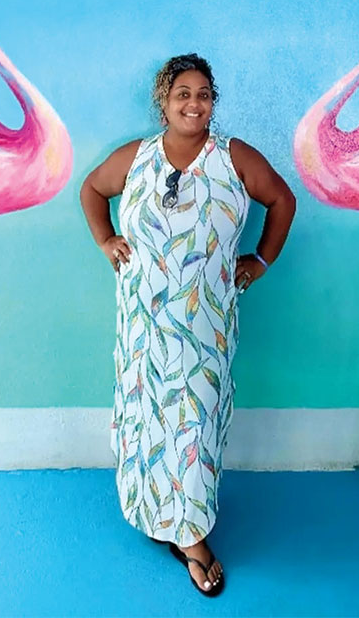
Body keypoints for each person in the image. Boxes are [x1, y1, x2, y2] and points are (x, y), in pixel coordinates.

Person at [80, 54, 296, 596]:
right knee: (147, 420)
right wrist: (106, 239)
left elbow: (282, 200)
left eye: (203, 94)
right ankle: (154, 513)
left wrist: (260, 260)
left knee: (194, 424)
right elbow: (91, 190)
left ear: (212, 102)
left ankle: (191, 535)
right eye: (183, 94)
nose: (194, 103)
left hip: (205, 327)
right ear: (164, 102)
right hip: (142, 324)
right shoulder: (137, 157)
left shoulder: (234, 157)